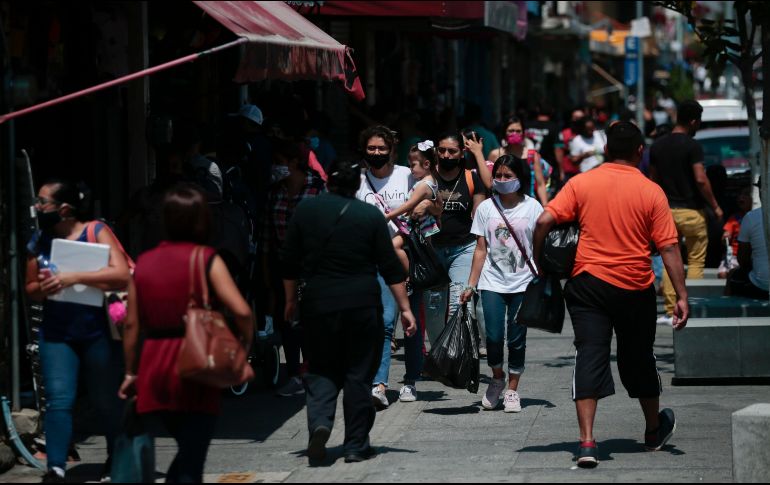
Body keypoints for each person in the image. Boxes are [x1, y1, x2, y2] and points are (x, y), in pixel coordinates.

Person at [533, 121, 689, 468]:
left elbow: (544, 221)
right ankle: (652, 430)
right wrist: (680, 294)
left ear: (605, 150)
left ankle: (587, 443)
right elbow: (668, 247)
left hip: (587, 284)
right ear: (639, 152)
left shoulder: (581, 183)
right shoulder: (651, 191)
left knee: (590, 354)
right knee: (639, 357)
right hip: (635, 288)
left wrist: (539, 261)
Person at [282, 159, 417, 463]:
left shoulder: (305, 212)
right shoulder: (369, 215)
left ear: (328, 183)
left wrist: (290, 300)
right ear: (357, 186)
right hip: (361, 304)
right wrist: (405, 309)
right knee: (358, 375)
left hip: (318, 303)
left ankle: (320, 422)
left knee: (321, 369)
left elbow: (288, 260)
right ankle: (356, 444)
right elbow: (390, 266)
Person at [119, 183, 254, 483]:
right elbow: (242, 311)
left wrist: (130, 372)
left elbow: (131, 324)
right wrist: (244, 345)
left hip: (155, 363)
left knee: (184, 445)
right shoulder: (206, 259)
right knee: (193, 454)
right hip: (195, 361)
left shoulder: (143, 263)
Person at [25, 180, 129, 483]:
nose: (37, 207)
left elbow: (121, 273)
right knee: (59, 400)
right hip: (56, 333)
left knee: (106, 399)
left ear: (64, 209)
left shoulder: (95, 231)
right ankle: (56, 468)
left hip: (97, 331)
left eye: (42, 202)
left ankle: (116, 455)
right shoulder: (38, 240)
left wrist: (72, 277)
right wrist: (44, 287)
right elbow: (30, 288)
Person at [355, 126, 433, 406]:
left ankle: (411, 380)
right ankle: (379, 384)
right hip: (372, 261)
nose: (376, 154)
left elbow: (424, 207)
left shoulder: (407, 174)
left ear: (391, 151)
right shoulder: (358, 179)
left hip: (406, 257)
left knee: (410, 322)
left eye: (382, 149)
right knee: (384, 322)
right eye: (371, 149)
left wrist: (399, 240)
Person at [459, 155, 542, 413]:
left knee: (517, 339)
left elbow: (540, 245)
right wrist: (470, 285)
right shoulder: (486, 208)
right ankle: (497, 378)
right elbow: (480, 249)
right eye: (499, 176)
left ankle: (513, 390)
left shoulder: (533, 207)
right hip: (491, 282)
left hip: (524, 282)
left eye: (509, 176)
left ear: (520, 178)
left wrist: (543, 278)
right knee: (493, 337)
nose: (503, 181)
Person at [649, 99, 723, 325]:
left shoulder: (657, 146)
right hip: (692, 212)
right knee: (696, 261)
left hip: (666, 212)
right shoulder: (693, 146)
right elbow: (701, 179)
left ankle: (672, 308)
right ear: (692, 121)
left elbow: (653, 181)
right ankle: (693, 304)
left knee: (673, 260)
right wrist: (716, 206)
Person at [262, 138, 326, 397]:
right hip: (282, 266)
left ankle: (311, 371)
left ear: (294, 163)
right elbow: (267, 236)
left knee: (309, 322)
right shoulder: (275, 191)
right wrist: (266, 273)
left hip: (311, 267)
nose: (276, 167)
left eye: (280, 163)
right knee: (287, 321)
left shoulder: (316, 190)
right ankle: (294, 374)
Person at [425, 132, 487, 344]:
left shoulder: (471, 178)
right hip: (432, 250)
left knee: (459, 304)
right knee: (434, 309)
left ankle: (459, 353)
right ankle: (438, 353)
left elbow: (479, 218)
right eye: (442, 150)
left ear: (461, 153)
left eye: (452, 151)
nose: (446, 155)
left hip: (463, 248)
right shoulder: (428, 177)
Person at [385, 141, 442, 274]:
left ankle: (412, 275)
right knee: (424, 254)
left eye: (413, 165)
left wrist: (389, 215)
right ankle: (420, 274)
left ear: (427, 164)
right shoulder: (432, 180)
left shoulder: (423, 185)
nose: (410, 169)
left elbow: (409, 205)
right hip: (422, 224)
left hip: (417, 225)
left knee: (395, 247)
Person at [488, 117, 549, 206]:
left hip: (526, 205)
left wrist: (545, 206)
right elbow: (490, 182)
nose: (514, 134)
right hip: (501, 205)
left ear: (523, 133)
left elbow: (540, 184)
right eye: (511, 131)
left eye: (518, 131)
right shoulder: (495, 154)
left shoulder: (532, 155)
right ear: (504, 132)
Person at [727, 178, 768, 299]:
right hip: (760, 285)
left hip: (761, 286)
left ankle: (729, 313)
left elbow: (742, 259)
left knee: (732, 275)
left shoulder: (751, 217)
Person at [719, 186, 752, 278]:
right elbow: (725, 235)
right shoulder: (734, 218)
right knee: (723, 274)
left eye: (746, 195)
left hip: (750, 255)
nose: (741, 197)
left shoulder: (756, 217)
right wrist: (726, 237)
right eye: (740, 195)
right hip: (734, 255)